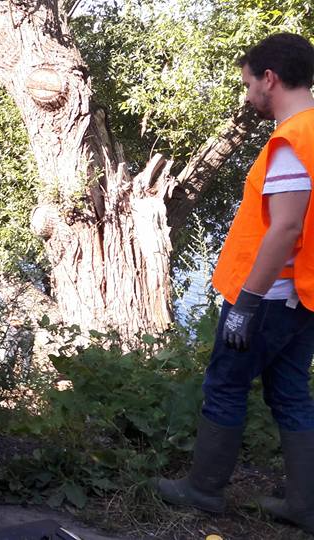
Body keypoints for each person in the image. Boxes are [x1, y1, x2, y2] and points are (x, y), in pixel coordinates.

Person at [155, 33, 314, 532]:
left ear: (270, 78)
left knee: (225, 383)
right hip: (304, 294)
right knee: (290, 392)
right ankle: (303, 506)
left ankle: (202, 490)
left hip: (268, 293)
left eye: (248, 84)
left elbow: (286, 227)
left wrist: (245, 302)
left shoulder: (291, 140)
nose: (247, 96)